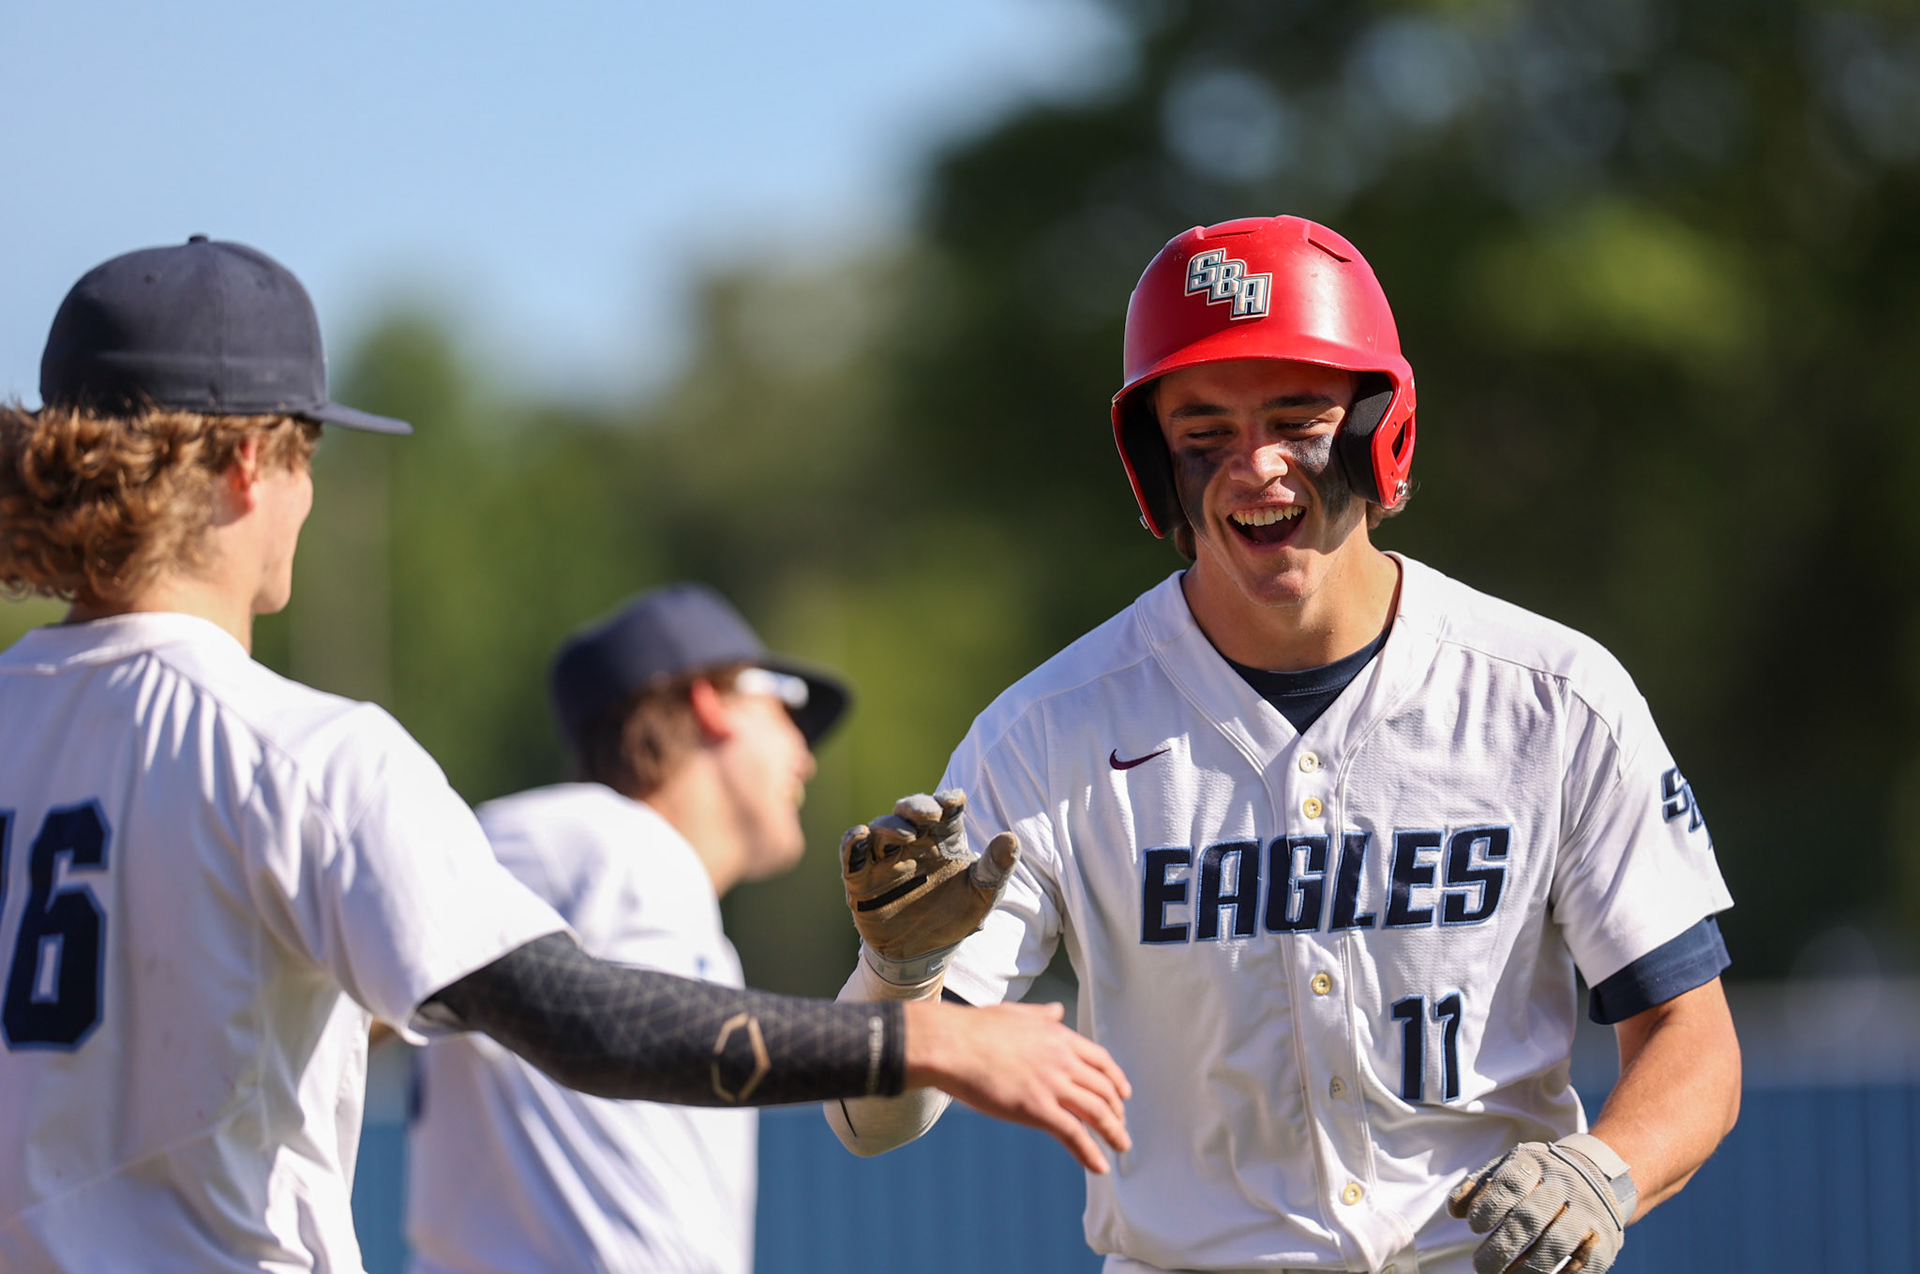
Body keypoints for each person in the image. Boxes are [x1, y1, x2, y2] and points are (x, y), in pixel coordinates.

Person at [0, 238, 1129, 1274]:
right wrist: (914, 1032)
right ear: (250, 462)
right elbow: (581, 1019)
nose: (306, 491)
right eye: (307, 454)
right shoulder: (303, 755)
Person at [825, 215, 1740, 1274]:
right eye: (1203, 432)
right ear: (1156, 465)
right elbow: (869, 1124)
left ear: (1378, 431)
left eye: (1299, 418)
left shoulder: (1551, 698)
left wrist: (1606, 1168)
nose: (1254, 466)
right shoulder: (1048, 733)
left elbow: (1693, 1042)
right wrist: (899, 975)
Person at [406, 584, 854, 1274]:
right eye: (786, 706)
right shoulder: (588, 835)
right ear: (710, 701)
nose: (806, 753)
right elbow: (389, 895)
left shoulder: (646, 879)